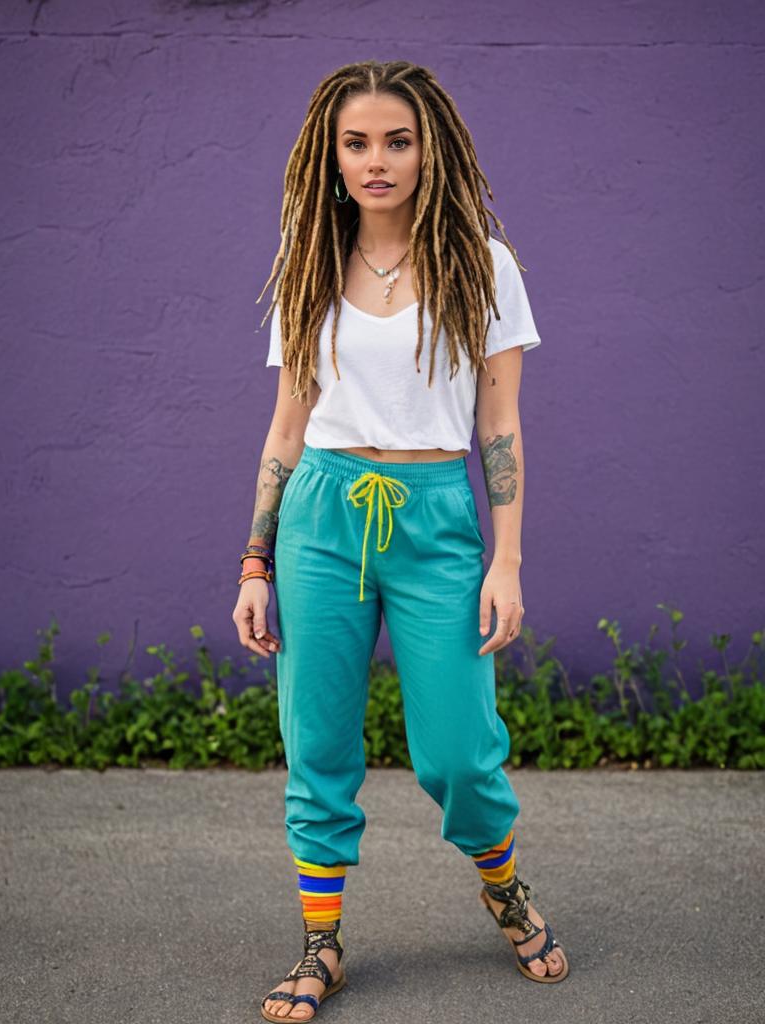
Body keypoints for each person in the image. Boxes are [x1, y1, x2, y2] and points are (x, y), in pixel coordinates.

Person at [232, 59, 570, 1022]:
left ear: (431, 149)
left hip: (434, 519)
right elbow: (287, 428)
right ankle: (320, 941)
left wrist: (505, 561)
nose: (376, 160)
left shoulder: (484, 263)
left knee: (459, 751)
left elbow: (498, 427)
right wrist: (255, 559)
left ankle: (502, 886)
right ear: (328, 157)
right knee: (319, 740)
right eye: (356, 142)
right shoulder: (308, 257)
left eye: (397, 139)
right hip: (322, 519)